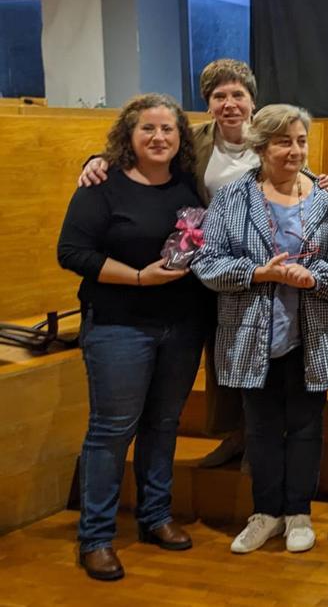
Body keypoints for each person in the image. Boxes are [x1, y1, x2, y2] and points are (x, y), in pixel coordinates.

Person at [76, 59, 328, 470]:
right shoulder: (192, 140)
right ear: (208, 103)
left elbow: (295, 172)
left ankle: (260, 440)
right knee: (225, 355)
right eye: (219, 96)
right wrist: (96, 159)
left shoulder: (271, 135)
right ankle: (237, 435)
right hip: (208, 264)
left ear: (253, 101)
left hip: (269, 264)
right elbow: (143, 151)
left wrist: (323, 181)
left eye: (238, 95)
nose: (229, 103)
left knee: (263, 354)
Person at [192, 104, 328, 555]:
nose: (295, 150)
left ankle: (299, 513)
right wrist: (258, 273)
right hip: (252, 336)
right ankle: (265, 513)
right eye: (284, 141)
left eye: (301, 141)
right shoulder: (232, 199)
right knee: (262, 429)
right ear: (261, 147)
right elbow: (207, 263)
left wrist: (315, 278)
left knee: (307, 427)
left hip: (313, 336)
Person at [57, 93, 210, 581]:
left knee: (163, 425)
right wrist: (138, 277)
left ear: (180, 137)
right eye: (148, 129)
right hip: (118, 325)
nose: (159, 137)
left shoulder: (187, 185)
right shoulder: (101, 186)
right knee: (111, 432)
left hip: (181, 326)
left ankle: (155, 517)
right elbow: (72, 252)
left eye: (168, 129)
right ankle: (96, 537)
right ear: (129, 135)